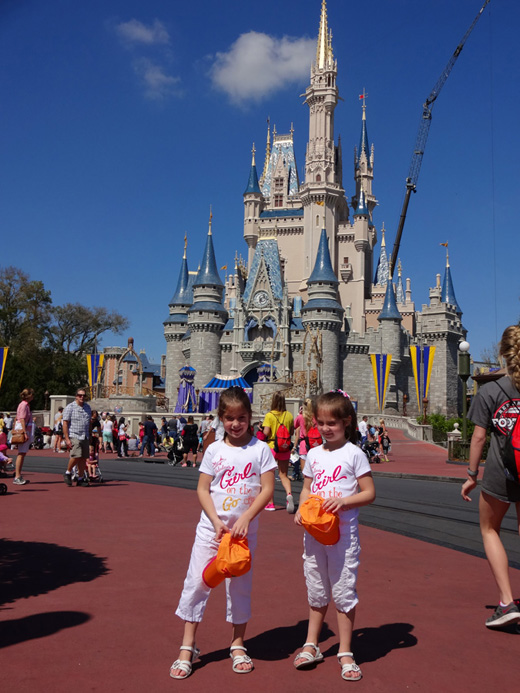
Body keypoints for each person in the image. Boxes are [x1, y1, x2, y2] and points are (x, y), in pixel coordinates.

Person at [170, 386, 276, 680]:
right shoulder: (214, 450)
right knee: (197, 583)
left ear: (250, 417)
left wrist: (247, 517)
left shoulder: (260, 450)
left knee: (239, 587)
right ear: (221, 419)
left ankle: (238, 643)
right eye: (229, 418)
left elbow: (267, 489)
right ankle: (187, 646)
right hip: (211, 531)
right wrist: (216, 521)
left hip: (243, 535)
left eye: (241, 417)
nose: (236, 424)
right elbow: (203, 489)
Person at [293, 391, 376, 681]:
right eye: (322, 423)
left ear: (347, 422)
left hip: (343, 535)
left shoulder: (354, 453)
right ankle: (312, 644)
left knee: (342, 590)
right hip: (314, 533)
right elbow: (307, 489)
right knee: (316, 587)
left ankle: (345, 651)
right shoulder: (313, 455)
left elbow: (369, 493)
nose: (327, 428)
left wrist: (344, 501)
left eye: (333, 423)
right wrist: (301, 509)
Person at [461, 325, 520, 629]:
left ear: (502, 354)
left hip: (501, 472)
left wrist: (471, 474)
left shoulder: (490, 391)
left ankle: (507, 601)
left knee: (489, 530)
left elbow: (479, 438)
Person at [262, 392, 295, 512]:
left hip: (272, 446)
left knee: (269, 475)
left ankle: (270, 503)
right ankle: (289, 494)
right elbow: (291, 432)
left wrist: (261, 429)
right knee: (283, 475)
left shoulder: (270, 415)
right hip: (285, 447)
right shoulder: (289, 415)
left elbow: (266, 433)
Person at [62, 388, 92, 487]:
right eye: (80, 395)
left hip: (85, 435)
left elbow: (89, 424)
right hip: (74, 434)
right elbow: (65, 423)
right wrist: (67, 439)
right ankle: (68, 472)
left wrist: (90, 436)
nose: (82, 397)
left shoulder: (88, 408)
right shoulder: (70, 407)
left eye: (84, 395)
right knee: (76, 455)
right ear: (76, 396)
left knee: (83, 457)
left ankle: (80, 477)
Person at [12, 388, 35, 485]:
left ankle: (18, 475)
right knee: (21, 453)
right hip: (23, 429)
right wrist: (25, 433)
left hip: (23, 428)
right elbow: (21, 419)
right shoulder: (24, 405)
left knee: (22, 453)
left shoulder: (24, 405)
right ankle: (17, 476)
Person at [293, 398, 314, 482]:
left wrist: (299, 414)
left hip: (304, 444)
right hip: (314, 443)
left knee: (305, 473)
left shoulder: (300, 417)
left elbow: (295, 425)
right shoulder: (315, 417)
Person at [87, 409, 102, 477]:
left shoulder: (96, 422)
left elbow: (100, 433)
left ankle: (94, 471)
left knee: (95, 452)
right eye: (92, 418)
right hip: (85, 436)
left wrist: (101, 443)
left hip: (90, 437)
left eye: (95, 419)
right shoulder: (87, 420)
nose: (93, 420)